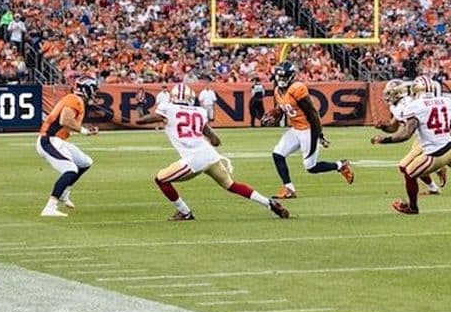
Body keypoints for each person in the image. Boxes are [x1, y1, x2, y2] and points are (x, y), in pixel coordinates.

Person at [137, 83, 288, 221]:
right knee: (231, 185)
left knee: (161, 179)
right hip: (210, 155)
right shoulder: (199, 111)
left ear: (173, 97)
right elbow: (215, 140)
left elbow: (142, 120)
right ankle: (268, 203)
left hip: (194, 159)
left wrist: (141, 112)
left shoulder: (167, 108)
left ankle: (185, 212)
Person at [371, 76, 451, 215]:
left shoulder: (415, 106)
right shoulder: (445, 101)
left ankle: (413, 207)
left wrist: (384, 140)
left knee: (409, 173)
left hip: (436, 154)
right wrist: (441, 138)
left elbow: (405, 135)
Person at [267, 61, 354, 199]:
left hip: (308, 130)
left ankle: (340, 165)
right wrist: (275, 114)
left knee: (310, 167)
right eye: (280, 77)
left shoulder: (297, 88)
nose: (281, 79)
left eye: (284, 77)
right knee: (277, 154)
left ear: (291, 76)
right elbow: (283, 108)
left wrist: (319, 134)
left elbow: (312, 112)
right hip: (296, 128)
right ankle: (289, 189)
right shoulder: (277, 91)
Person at [35, 77, 99, 217]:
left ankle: (64, 191)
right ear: (87, 89)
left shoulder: (75, 99)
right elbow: (65, 120)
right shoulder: (75, 100)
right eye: (93, 89)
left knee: (85, 162)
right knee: (70, 170)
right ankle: (50, 207)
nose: (94, 93)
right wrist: (84, 131)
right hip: (49, 140)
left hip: (57, 140)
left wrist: (85, 129)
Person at [374, 79, 445, 195]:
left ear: (397, 93)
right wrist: (383, 127)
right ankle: (433, 186)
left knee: (405, 166)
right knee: (413, 166)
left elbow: (406, 133)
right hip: (419, 137)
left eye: (389, 93)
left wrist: (385, 140)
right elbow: (394, 127)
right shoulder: (395, 106)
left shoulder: (408, 105)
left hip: (426, 136)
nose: (387, 96)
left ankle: (438, 168)